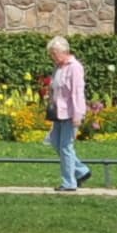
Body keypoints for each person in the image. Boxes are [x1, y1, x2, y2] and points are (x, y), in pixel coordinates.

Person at [44, 35, 91, 192]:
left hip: (71, 113)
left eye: (54, 53)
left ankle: (69, 183)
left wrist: (78, 115)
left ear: (63, 51)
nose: (52, 57)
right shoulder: (59, 67)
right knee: (55, 143)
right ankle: (81, 171)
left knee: (65, 147)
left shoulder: (74, 67)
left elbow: (78, 93)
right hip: (59, 113)